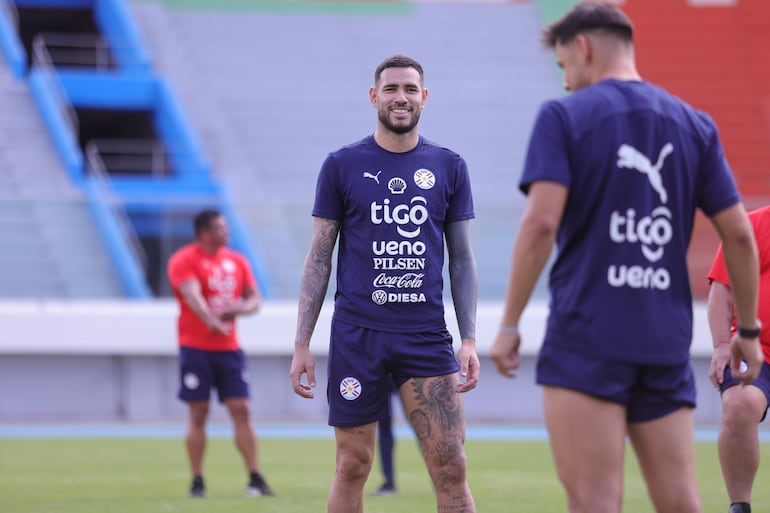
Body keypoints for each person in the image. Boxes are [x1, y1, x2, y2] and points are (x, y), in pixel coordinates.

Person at [488, 3, 762, 513]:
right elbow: (741, 237)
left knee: (595, 500)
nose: (567, 81)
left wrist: (509, 323)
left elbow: (541, 224)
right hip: (663, 342)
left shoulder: (563, 115)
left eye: (565, 66)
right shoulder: (695, 124)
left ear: (583, 48)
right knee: (681, 501)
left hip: (587, 338)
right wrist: (748, 331)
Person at [289, 54, 480, 513]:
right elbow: (319, 257)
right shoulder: (341, 165)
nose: (401, 97)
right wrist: (302, 343)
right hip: (358, 337)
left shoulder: (449, 166)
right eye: (391, 89)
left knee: (450, 463)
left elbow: (462, 259)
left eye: (410, 89)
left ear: (424, 98)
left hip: (425, 337)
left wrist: (469, 338)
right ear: (374, 97)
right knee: (353, 464)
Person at [167, 208, 274, 498]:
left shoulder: (237, 261)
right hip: (196, 348)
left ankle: (255, 476)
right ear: (204, 232)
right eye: (220, 228)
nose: (226, 232)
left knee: (242, 409)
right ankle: (197, 479)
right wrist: (211, 321)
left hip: (229, 349)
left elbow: (254, 299)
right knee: (198, 412)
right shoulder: (184, 260)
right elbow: (192, 294)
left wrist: (237, 310)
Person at [707, 205, 770, 513]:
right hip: (756, 352)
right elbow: (722, 290)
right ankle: (740, 507)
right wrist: (721, 345)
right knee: (740, 403)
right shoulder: (751, 226)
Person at [372, 378, 399, 496]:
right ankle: (389, 482)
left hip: (401, 370)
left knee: (424, 428)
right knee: (385, 431)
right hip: (384, 375)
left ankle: (440, 477)